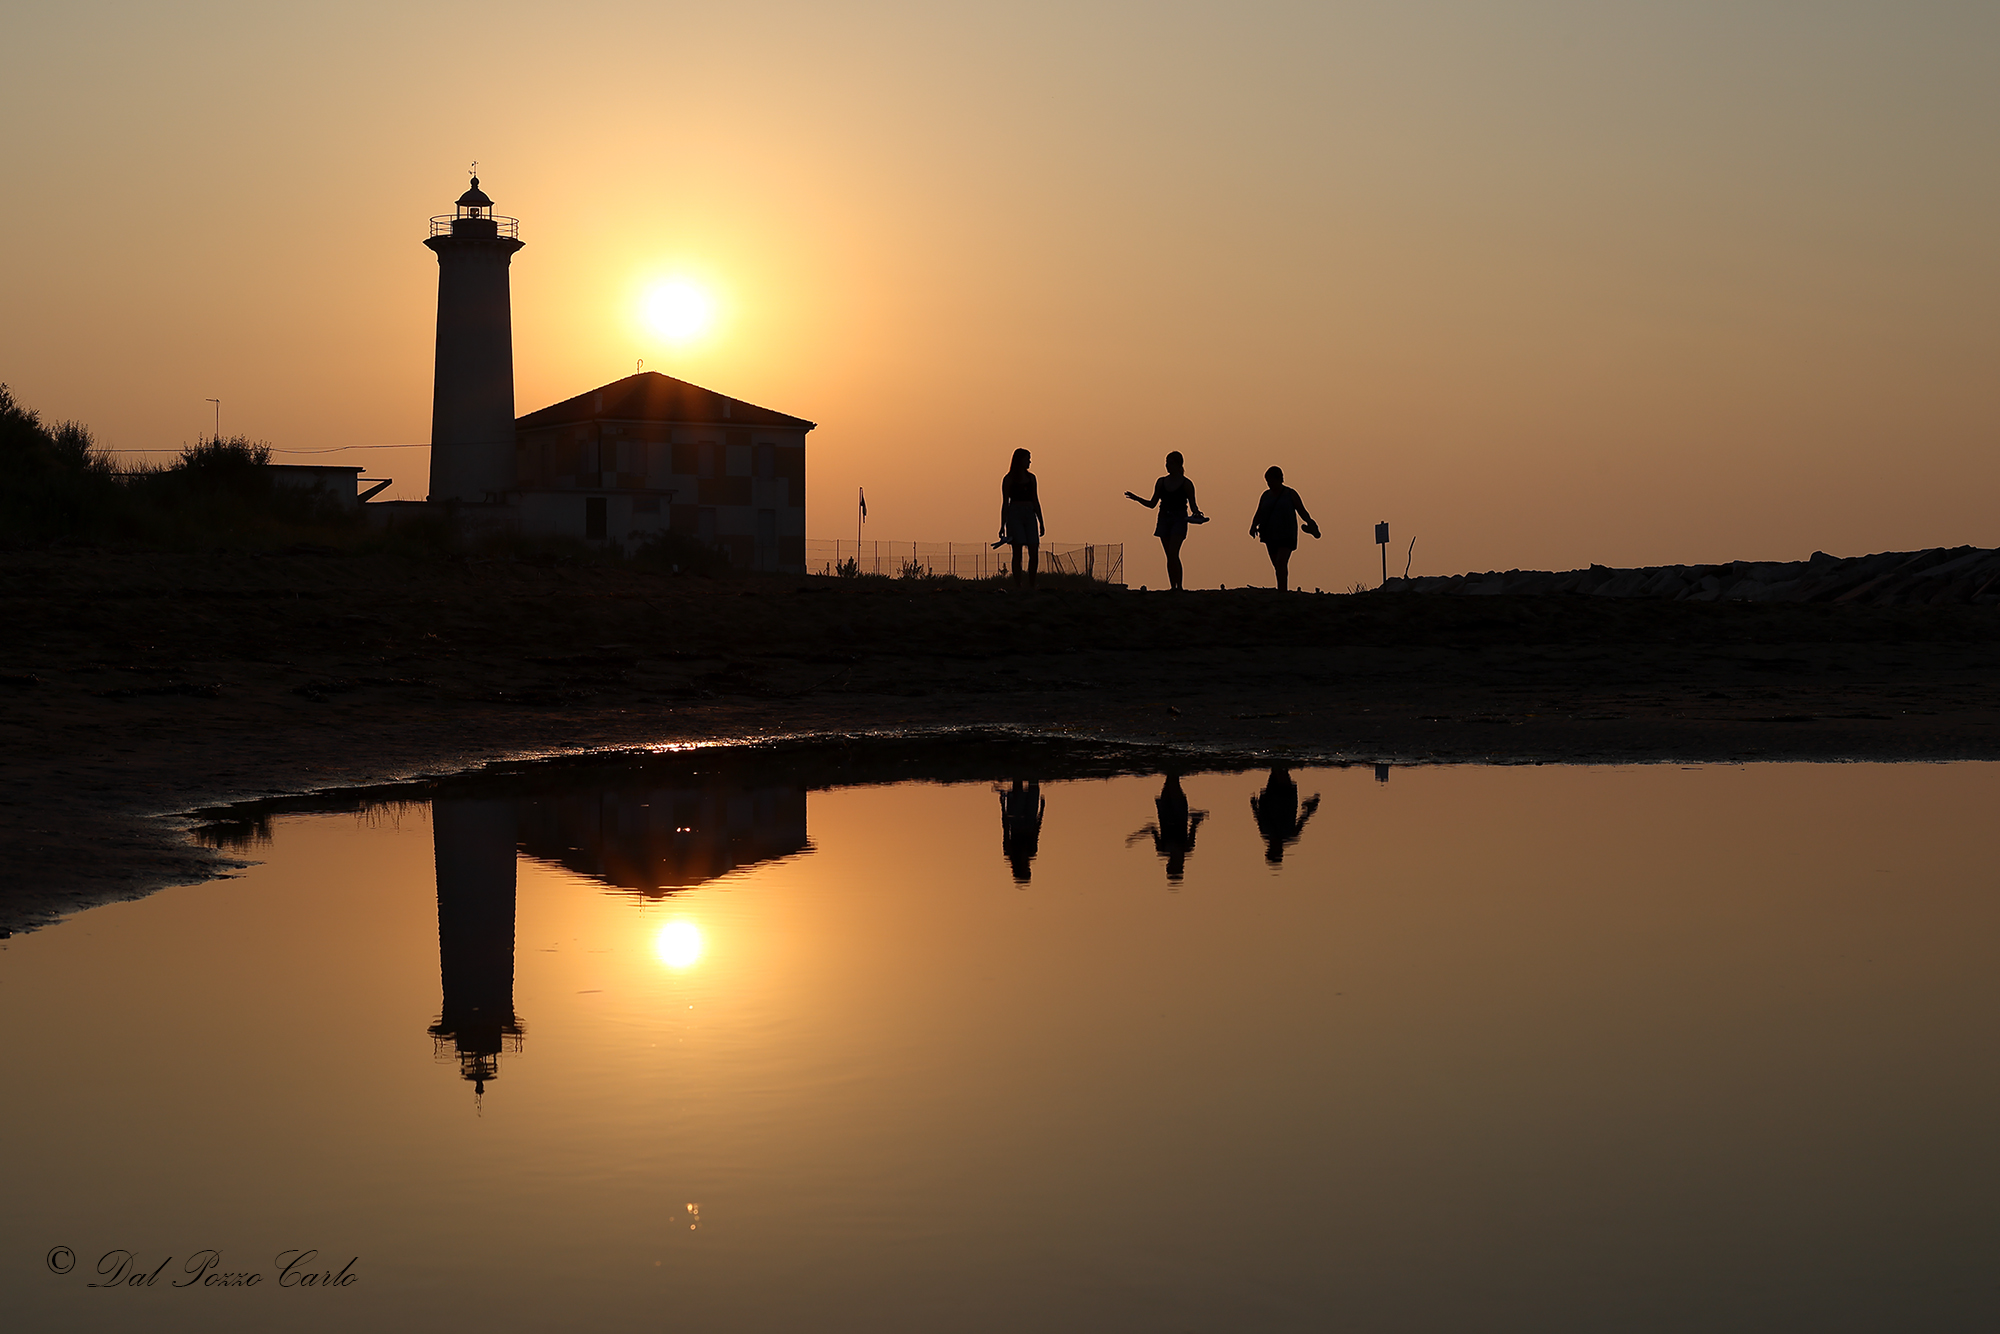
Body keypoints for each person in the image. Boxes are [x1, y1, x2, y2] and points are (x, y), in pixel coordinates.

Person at [1124, 451, 1207, 590]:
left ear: (1178, 464)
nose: (1167, 465)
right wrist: (1136, 498)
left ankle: (1179, 586)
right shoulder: (1161, 482)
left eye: (1170, 462)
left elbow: (1193, 505)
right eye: (1166, 462)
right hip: (1163, 519)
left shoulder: (1187, 484)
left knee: (1174, 552)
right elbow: (1152, 504)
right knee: (1169, 555)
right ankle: (1173, 587)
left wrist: (1197, 514)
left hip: (1179, 519)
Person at [1247, 465, 1320, 591]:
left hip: (1287, 533)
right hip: (1269, 534)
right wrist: (1253, 526)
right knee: (1277, 564)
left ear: (1279, 479)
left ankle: (1283, 590)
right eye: (1267, 481)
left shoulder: (1290, 494)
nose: (1269, 484)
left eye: (1271, 480)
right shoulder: (1265, 496)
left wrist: (1309, 522)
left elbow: (1301, 510)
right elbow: (1259, 512)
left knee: (1281, 561)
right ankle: (1281, 588)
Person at [1125, 773, 1207, 884]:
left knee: (1171, 778)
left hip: (1168, 809)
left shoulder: (1165, 849)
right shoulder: (1184, 848)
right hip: (1176, 809)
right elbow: (1193, 825)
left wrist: (1136, 836)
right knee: (1173, 779)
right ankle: (1173, 762)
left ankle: (1172, 761)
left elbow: (1152, 829)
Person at [1249, 766, 1320, 865]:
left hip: (1274, 798)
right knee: (1280, 772)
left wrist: (1254, 806)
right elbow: (1302, 820)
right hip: (1285, 799)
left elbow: (1260, 819)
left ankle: (1280, 758)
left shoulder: (1267, 833)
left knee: (1276, 772)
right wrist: (1310, 808)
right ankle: (1281, 758)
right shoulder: (1289, 835)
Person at [997, 448, 1044, 589]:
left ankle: (1031, 584)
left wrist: (1041, 521)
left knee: (1033, 549)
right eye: (1027, 458)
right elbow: (1005, 503)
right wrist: (1002, 525)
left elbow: (1036, 500)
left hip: (1030, 513)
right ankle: (1018, 585)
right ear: (1019, 460)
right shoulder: (1009, 479)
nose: (1029, 461)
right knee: (1017, 550)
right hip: (1015, 514)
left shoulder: (1031, 478)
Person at [997, 779, 1045, 885]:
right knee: (1033, 785)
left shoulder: (1010, 852)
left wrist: (1003, 808)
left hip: (1016, 819)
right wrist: (1041, 812)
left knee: (1018, 786)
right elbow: (1036, 832)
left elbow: (1005, 829)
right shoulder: (1031, 851)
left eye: (1026, 870)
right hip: (1030, 819)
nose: (1028, 868)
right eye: (1028, 870)